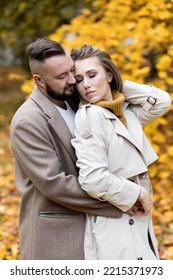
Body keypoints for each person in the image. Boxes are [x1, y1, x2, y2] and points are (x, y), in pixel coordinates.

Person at [10, 38, 125, 260]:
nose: (73, 80)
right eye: (62, 76)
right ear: (39, 81)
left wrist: (111, 77)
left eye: (71, 70)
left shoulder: (74, 97)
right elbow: (55, 184)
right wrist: (121, 200)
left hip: (94, 232)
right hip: (55, 239)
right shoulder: (28, 122)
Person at [71, 44, 172, 260]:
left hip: (136, 218)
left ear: (108, 74)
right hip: (115, 220)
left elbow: (162, 101)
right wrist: (137, 194)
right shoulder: (90, 115)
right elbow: (92, 177)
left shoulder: (125, 113)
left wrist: (118, 86)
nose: (86, 84)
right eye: (79, 79)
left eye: (92, 75)